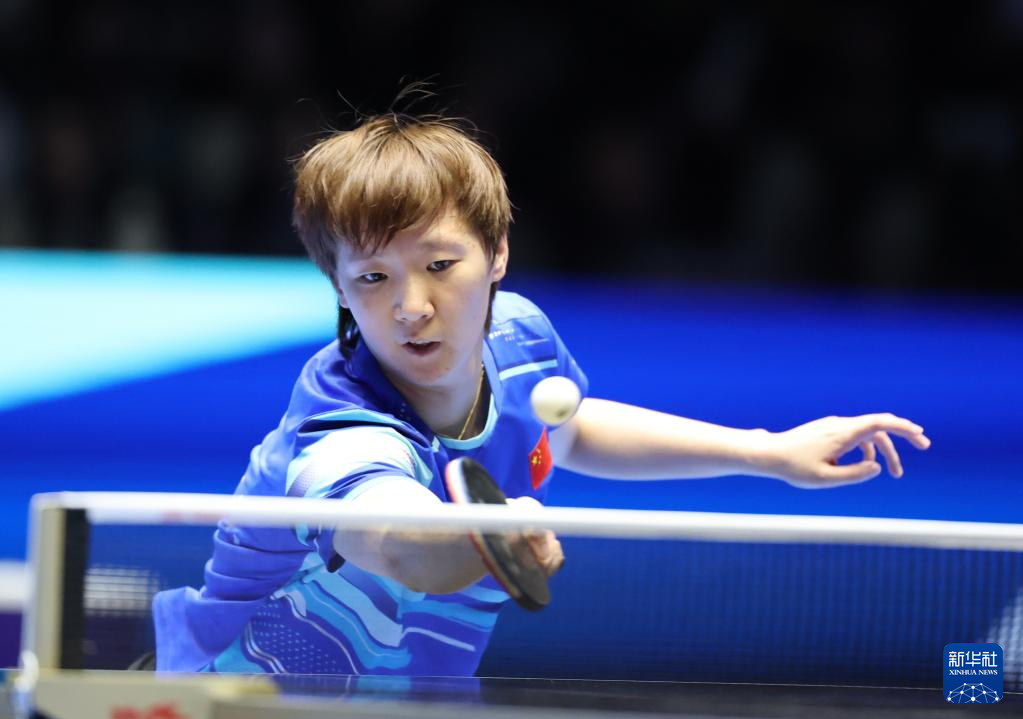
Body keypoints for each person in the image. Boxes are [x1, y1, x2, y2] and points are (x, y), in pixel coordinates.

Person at [152, 109, 930, 675]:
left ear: (496, 252)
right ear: (339, 288)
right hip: (239, 697)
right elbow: (397, 541)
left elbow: (568, 427)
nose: (411, 306)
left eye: (439, 264)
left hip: (405, 694)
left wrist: (767, 452)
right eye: (373, 277)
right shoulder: (338, 421)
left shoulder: (518, 337)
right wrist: (491, 533)